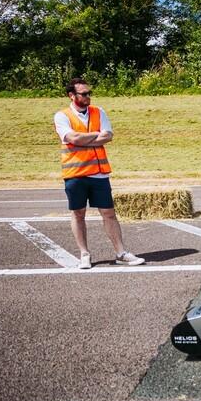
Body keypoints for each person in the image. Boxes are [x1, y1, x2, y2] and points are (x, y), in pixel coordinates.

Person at [54, 78, 145, 269]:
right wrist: (96, 135)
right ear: (72, 96)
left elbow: (108, 136)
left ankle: (121, 252)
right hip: (75, 173)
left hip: (99, 174)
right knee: (78, 213)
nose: (88, 96)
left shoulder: (98, 111)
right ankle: (84, 254)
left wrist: (85, 138)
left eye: (89, 93)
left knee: (109, 213)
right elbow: (73, 138)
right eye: (84, 94)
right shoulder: (62, 116)